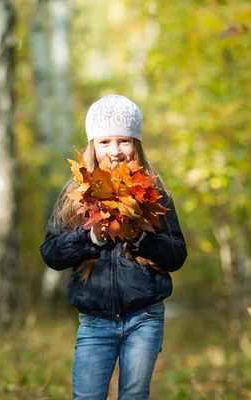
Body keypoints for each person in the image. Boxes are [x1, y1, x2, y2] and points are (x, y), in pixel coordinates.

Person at [39, 94, 187, 400]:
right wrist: (90, 239)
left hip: (143, 317)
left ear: (137, 143)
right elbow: (51, 253)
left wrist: (140, 238)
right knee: (87, 396)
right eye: (105, 142)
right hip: (95, 321)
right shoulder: (76, 193)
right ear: (93, 145)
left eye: (124, 141)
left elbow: (176, 254)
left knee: (133, 395)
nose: (116, 151)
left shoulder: (153, 191)